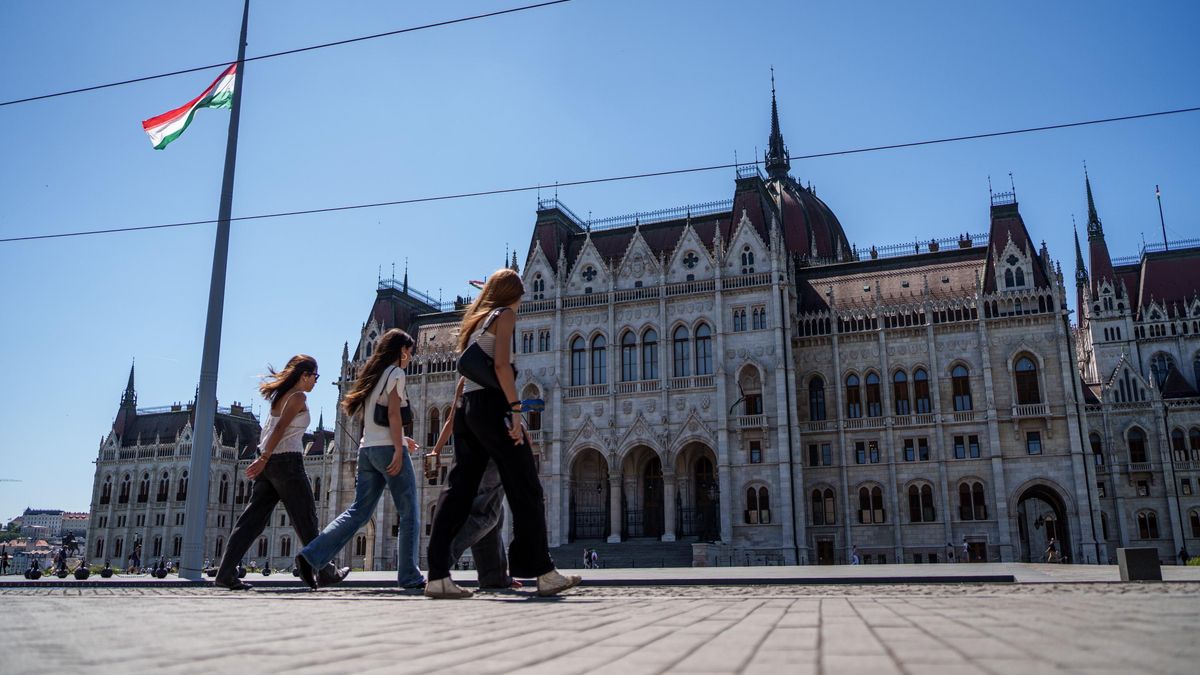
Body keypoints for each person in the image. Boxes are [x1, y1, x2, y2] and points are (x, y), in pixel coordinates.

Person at [424, 268, 581, 599]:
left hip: (470, 409)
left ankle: (437, 575)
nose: (524, 299)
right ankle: (542, 571)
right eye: (522, 292)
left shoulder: (475, 323)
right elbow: (500, 369)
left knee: (458, 491)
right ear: (513, 292)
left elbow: (470, 376)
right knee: (526, 487)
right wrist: (515, 411)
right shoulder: (505, 315)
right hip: (492, 407)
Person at [296, 331, 425, 590]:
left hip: (366, 452)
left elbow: (375, 421)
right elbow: (392, 414)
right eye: (410, 352)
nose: (410, 357)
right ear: (401, 351)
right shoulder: (396, 374)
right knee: (409, 511)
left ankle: (311, 555)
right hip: (388, 450)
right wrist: (400, 448)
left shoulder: (372, 376)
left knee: (358, 512)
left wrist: (402, 440)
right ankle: (410, 576)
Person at [214, 354, 348, 591]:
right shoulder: (297, 397)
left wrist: (263, 459)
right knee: (306, 519)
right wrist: (264, 458)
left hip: (270, 463)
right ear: (304, 375)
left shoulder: (279, 396)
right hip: (287, 462)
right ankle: (325, 571)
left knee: (251, 522)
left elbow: (269, 430)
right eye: (314, 376)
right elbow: (278, 430)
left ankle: (225, 573)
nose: (315, 381)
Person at [431, 377, 522, 591]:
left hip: (466, 452)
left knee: (491, 512)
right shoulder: (495, 371)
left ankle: (494, 575)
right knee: (486, 514)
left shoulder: (465, 378)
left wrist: (436, 449)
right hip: (488, 449)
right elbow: (503, 413)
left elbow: (452, 418)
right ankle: (440, 565)